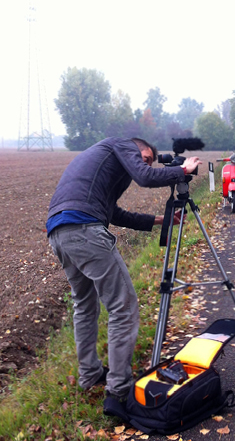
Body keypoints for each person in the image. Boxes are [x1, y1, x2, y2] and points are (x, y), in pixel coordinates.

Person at [46, 137, 202, 404]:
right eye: (147, 157)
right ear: (136, 146)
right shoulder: (121, 144)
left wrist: (159, 220)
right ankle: (119, 388)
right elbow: (144, 176)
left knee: (84, 305)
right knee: (123, 305)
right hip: (84, 230)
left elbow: (114, 214)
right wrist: (182, 170)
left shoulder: (106, 164)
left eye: (151, 161)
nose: (146, 163)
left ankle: (90, 375)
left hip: (60, 231)